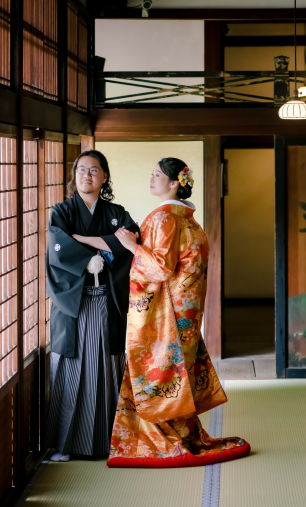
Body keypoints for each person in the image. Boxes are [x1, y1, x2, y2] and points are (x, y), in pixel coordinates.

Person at [106, 157, 250, 467]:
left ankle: (164, 438)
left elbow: (159, 268)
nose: (152, 178)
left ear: (173, 183)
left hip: (168, 310)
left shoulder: (164, 219)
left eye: (158, 174)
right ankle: (183, 434)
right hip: (186, 310)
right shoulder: (189, 219)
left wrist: (132, 246)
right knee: (178, 368)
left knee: (162, 368)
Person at [45, 150, 140, 461]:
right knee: (70, 371)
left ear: (104, 177)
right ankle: (65, 446)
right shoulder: (62, 211)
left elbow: (131, 238)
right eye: (81, 170)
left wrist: (90, 243)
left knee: (107, 368)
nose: (86, 175)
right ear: (74, 176)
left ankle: (109, 442)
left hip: (105, 302)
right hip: (75, 304)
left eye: (94, 170)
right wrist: (87, 260)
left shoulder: (116, 212)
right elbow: (58, 246)